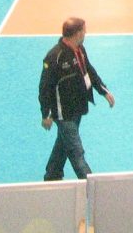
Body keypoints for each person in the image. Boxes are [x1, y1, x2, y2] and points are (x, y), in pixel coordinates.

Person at [39, 17, 115, 181]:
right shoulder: (54, 58)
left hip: (78, 108)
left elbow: (89, 71)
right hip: (63, 113)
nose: (86, 33)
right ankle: (92, 187)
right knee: (76, 151)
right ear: (77, 33)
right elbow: (45, 89)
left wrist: (103, 91)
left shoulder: (80, 50)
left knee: (63, 144)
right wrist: (46, 114)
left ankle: (52, 175)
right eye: (84, 30)